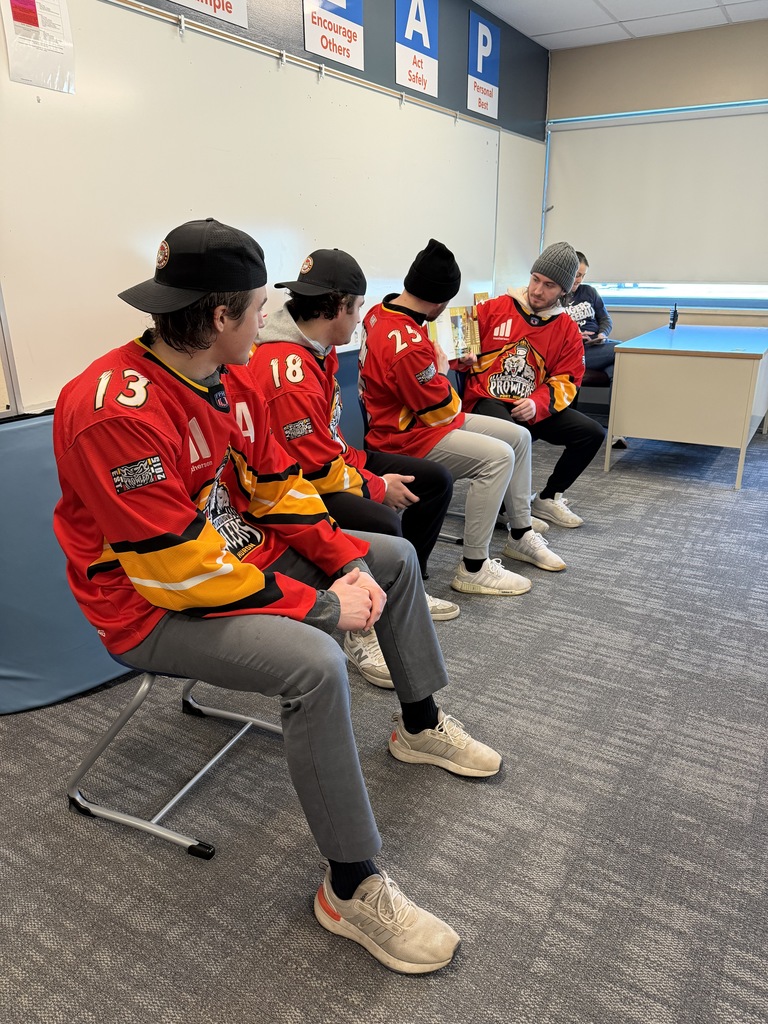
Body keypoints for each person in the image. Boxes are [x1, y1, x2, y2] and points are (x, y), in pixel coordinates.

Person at [52, 218, 503, 976]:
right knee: (316, 662)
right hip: (146, 606)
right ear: (219, 316)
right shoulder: (112, 408)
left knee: (387, 556)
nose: (270, 318)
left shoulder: (221, 378)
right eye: (258, 306)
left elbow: (273, 485)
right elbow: (173, 569)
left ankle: (420, 723)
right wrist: (323, 608)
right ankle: (352, 887)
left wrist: (341, 563)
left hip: (227, 557)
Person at [248, 248, 459, 688]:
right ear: (339, 307)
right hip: (295, 487)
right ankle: (361, 632)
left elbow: (327, 445)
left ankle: (406, 591)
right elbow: (314, 466)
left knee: (434, 479)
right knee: (380, 520)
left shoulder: (317, 348)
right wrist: (377, 486)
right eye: (359, 307)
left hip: (335, 461)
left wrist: (370, 475)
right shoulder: (285, 368)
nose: (362, 317)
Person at [359, 239, 566, 595]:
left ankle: (519, 534)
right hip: (406, 435)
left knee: (520, 437)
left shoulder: (382, 309)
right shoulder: (407, 343)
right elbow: (444, 411)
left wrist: (439, 372)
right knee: (498, 458)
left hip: (418, 422)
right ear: (439, 300)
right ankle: (473, 566)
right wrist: (440, 371)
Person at [462, 242, 606, 528]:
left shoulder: (566, 328)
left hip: (530, 405)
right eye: (535, 279)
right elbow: (456, 336)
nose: (538, 290)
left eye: (549, 285)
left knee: (592, 433)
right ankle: (508, 510)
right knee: (512, 435)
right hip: (487, 399)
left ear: (564, 291)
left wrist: (537, 403)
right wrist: (463, 355)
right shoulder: (494, 308)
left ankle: (548, 498)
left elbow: (568, 379)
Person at [563, 251, 618, 380]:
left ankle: (615, 399)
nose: (579, 280)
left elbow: (605, 319)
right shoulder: (554, 296)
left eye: (583, 276)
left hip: (595, 345)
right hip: (575, 350)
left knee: (618, 368)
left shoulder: (589, 291)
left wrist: (602, 334)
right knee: (625, 353)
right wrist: (575, 336)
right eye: (577, 275)